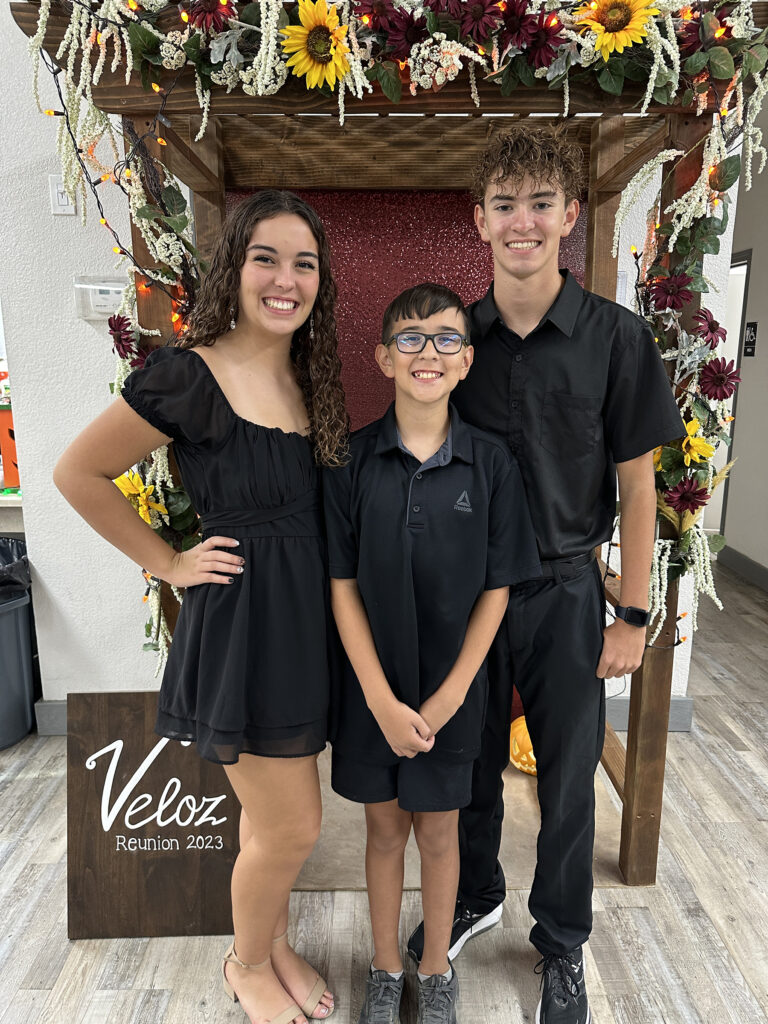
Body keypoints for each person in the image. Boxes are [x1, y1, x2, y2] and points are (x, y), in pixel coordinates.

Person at [405, 127, 686, 1024]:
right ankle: (476, 893)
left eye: (539, 204)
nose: (521, 222)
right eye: (504, 205)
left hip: (567, 590)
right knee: (468, 759)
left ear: (570, 216)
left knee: (567, 778)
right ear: (478, 220)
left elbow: (637, 487)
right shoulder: (455, 343)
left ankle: (562, 940)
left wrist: (633, 614)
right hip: (468, 593)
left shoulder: (617, 338)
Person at [54, 190, 349, 1024]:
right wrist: (170, 563)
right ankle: (244, 962)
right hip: (242, 632)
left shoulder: (307, 378)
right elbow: (77, 473)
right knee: (293, 826)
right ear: (234, 269)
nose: (286, 280)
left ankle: (274, 943)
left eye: (305, 264)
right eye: (267, 259)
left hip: (302, 631)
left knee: (270, 818)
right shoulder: (190, 374)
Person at [324, 283, 540, 1024]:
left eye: (447, 338)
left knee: (440, 832)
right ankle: (387, 967)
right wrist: (380, 700)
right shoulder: (349, 462)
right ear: (384, 357)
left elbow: (497, 589)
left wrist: (448, 699)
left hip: (455, 694)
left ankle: (437, 966)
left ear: (466, 360)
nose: (429, 352)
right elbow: (341, 588)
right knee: (384, 831)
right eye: (410, 338)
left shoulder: (492, 464)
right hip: (371, 693)